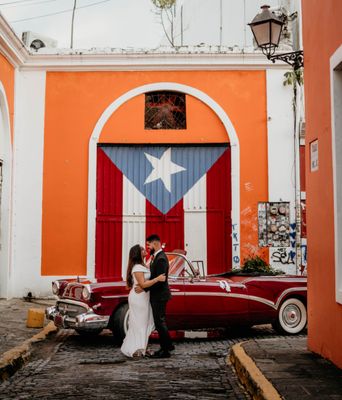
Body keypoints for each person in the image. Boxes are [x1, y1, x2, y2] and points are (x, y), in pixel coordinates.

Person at [121, 244, 166, 358]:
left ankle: (142, 347)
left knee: (144, 323)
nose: (144, 249)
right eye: (141, 249)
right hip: (139, 299)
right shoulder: (137, 268)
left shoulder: (143, 265)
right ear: (138, 253)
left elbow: (144, 284)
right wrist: (157, 279)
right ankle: (136, 349)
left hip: (143, 297)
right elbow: (143, 284)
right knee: (139, 323)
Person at [136, 234, 174, 358]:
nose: (148, 247)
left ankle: (165, 350)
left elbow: (160, 280)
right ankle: (168, 346)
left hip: (160, 295)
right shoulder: (155, 257)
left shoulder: (161, 258)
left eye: (149, 244)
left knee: (160, 322)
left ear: (155, 244)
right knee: (159, 322)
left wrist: (144, 287)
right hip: (157, 295)